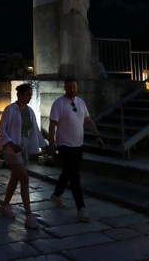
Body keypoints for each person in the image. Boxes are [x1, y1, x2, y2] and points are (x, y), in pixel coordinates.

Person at [47, 76, 103, 222]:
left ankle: (57, 194)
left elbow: (88, 120)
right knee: (74, 176)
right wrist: (51, 144)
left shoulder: (81, 102)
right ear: (65, 87)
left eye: (74, 87)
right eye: (69, 87)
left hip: (78, 144)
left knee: (68, 171)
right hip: (64, 144)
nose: (72, 89)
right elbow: (52, 124)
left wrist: (97, 135)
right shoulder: (58, 104)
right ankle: (81, 208)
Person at [0, 83, 47, 229]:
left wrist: (44, 145)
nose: (29, 98)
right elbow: (2, 129)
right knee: (24, 178)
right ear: (20, 95)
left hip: (23, 146)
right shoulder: (10, 109)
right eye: (27, 95)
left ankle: (5, 205)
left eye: (30, 95)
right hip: (12, 148)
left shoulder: (30, 111)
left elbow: (35, 130)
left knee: (15, 177)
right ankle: (29, 215)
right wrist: (10, 143)